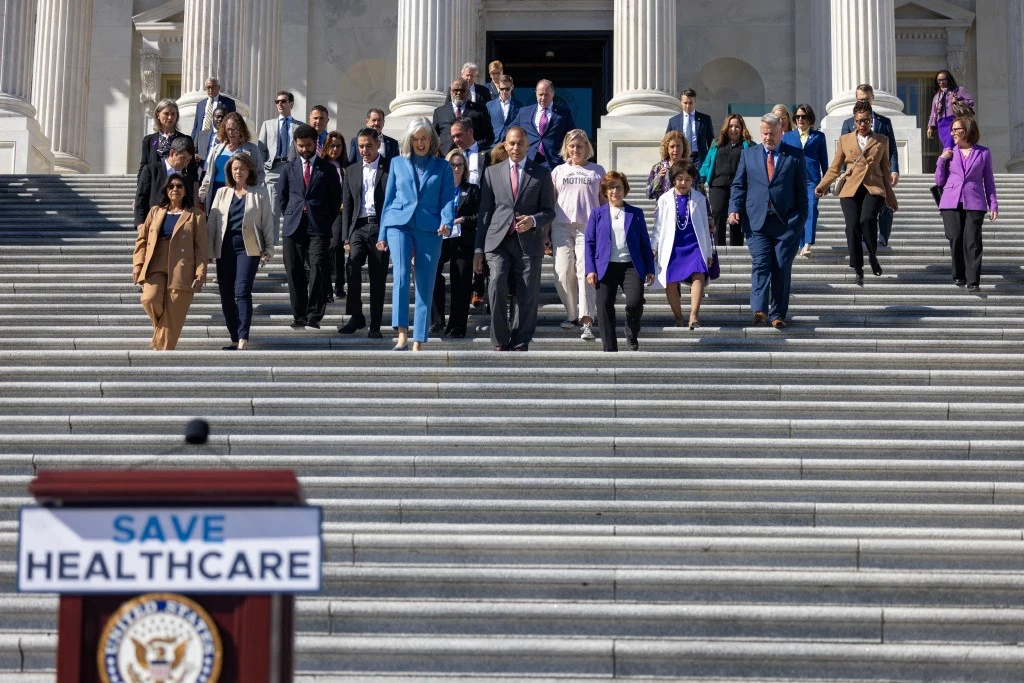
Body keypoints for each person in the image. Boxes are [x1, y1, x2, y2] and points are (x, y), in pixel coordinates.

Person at [473, 126, 556, 351]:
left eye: (520, 143)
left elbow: (549, 211)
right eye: (511, 143)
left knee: (528, 293)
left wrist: (534, 220)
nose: (516, 147)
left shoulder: (541, 173)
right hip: (497, 240)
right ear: (505, 145)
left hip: (528, 241)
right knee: (497, 282)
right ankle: (500, 339)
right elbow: (485, 212)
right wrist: (478, 249)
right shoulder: (492, 172)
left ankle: (520, 340)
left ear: (527, 145)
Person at [379, 117, 456, 351]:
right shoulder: (396, 163)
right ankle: (401, 333)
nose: (420, 143)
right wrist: (382, 233)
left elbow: (447, 200)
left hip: (430, 226)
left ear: (431, 140)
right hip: (398, 223)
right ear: (409, 140)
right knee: (401, 275)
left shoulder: (443, 167)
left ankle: (419, 338)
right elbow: (388, 199)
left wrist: (447, 222)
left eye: (424, 138)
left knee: (425, 282)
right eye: (416, 139)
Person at [728, 113, 808, 329]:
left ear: (781, 132)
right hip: (757, 222)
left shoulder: (795, 155)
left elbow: (802, 190)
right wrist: (734, 208)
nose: (767, 137)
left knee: (781, 267)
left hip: (786, 223)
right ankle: (759, 310)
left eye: (771, 133)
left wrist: (800, 221)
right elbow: (739, 185)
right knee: (761, 263)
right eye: (764, 133)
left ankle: (778, 313)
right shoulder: (749, 154)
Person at [815, 101, 898, 286]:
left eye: (867, 120)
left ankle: (873, 255)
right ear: (854, 121)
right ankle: (858, 268)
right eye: (860, 120)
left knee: (867, 219)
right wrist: (822, 186)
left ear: (871, 121)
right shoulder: (845, 140)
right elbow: (835, 168)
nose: (863, 124)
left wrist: (890, 197)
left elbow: (885, 170)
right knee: (852, 226)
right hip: (850, 188)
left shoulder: (881, 140)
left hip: (873, 187)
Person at [276, 123, 343, 329]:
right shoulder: (288, 168)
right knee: (294, 269)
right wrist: (291, 214)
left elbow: (335, 199)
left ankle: (314, 313)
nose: (304, 149)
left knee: (318, 268)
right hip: (293, 225)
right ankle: (299, 315)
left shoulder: (328, 169)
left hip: (319, 226)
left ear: (316, 143)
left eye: (308, 145)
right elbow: (282, 197)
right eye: (300, 146)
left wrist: (325, 220)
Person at [132, 173, 207, 350]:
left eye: (179, 186)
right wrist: (137, 264)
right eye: (171, 186)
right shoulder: (155, 211)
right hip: (156, 262)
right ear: (166, 190)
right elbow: (142, 240)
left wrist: (200, 272)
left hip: (182, 266)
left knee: (174, 313)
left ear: (185, 190)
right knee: (149, 299)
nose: (175, 189)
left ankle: (160, 353)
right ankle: (162, 344)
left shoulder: (196, 215)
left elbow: (201, 247)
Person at [207, 153, 274, 350]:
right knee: (225, 293)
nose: (238, 172)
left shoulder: (259, 192)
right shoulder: (222, 193)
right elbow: (212, 222)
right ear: (230, 171)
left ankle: (244, 336)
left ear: (249, 171)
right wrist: (209, 249)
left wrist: (269, 248)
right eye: (235, 169)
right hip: (225, 245)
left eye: (242, 169)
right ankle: (235, 336)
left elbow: (267, 223)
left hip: (248, 246)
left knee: (242, 290)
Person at [584, 172, 656, 352]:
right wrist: (590, 269)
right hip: (605, 266)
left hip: (630, 265)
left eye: (619, 187)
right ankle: (610, 348)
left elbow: (644, 243)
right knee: (604, 306)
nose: (615, 191)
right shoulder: (597, 214)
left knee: (635, 301)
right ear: (605, 191)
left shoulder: (635, 213)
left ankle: (631, 333)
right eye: (611, 187)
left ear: (625, 190)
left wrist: (650, 267)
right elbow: (589, 243)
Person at [549, 129, 605, 340]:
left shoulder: (597, 171)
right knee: (562, 273)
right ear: (566, 148)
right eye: (572, 146)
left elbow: (603, 201)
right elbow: (551, 201)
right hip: (561, 226)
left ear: (587, 147)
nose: (575, 150)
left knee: (585, 272)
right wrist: (545, 232)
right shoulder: (558, 171)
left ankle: (587, 319)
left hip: (588, 228)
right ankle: (572, 313)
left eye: (579, 146)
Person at [934, 116, 998, 292]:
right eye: (952, 130)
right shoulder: (950, 151)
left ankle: (973, 281)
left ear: (968, 130)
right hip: (951, 200)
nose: (953, 133)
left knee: (973, 241)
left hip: (975, 201)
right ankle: (959, 275)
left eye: (957, 130)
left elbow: (989, 180)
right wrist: (941, 159)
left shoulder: (983, 153)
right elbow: (939, 181)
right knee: (955, 237)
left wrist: (993, 203)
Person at [337, 128, 390, 338]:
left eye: (368, 145)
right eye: (360, 146)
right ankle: (356, 315)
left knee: (378, 277)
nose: (364, 150)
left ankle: (375, 325)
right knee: (352, 266)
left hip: (379, 227)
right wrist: (346, 237)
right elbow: (347, 206)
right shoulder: (351, 170)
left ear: (377, 144)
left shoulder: (390, 168)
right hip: (358, 227)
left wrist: (388, 232)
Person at [652, 162, 715, 329]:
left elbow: (704, 226)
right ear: (673, 180)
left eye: (687, 179)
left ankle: (694, 316)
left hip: (694, 243)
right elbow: (658, 226)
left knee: (699, 275)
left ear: (692, 180)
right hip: (673, 244)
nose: (683, 183)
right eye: (679, 179)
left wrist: (708, 253)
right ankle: (679, 317)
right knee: (670, 281)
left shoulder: (699, 198)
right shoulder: (664, 199)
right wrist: (654, 246)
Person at [431, 148, 481, 337]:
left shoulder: (472, 190)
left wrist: (462, 220)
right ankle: (437, 321)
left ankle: (457, 325)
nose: (456, 168)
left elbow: (479, 217)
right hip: (440, 238)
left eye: (460, 165)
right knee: (433, 275)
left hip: (463, 240)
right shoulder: (438, 188)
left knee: (461, 282)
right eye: (452, 165)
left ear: (465, 167)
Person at [783, 104, 829, 257]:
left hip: (812, 180)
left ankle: (808, 243)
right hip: (792, 179)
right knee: (797, 211)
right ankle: (801, 244)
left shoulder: (819, 136)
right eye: (797, 117)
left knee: (811, 209)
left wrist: (826, 183)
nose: (800, 119)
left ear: (810, 118)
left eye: (803, 116)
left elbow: (824, 161)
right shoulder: (787, 136)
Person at [700, 114, 752, 247]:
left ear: (742, 129)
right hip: (718, 185)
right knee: (717, 214)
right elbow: (707, 164)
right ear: (726, 128)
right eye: (731, 126)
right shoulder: (716, 144)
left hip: (738, 186)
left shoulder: (748, 145)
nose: (733, 129)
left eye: (737, 126)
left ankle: (736, 248)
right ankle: (718, 248)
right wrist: (698, 178)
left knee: (736, 219)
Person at [198, 113, 264, 212]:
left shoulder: (252, 149)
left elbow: (260, 173)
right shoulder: (217, 149)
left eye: (234, 129)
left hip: (240, 194)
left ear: (241, 129)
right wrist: (200, 197)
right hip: (217, 193)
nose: (230, 132)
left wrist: (249, 190)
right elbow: (209, 175)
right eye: (228, 129)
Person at [840, 84, 900, 185]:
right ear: (856, 100)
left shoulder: (884, 122)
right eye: (860, 100)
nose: (863, 102)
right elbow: (843, 150)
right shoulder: (848, 123)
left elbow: (892, 148)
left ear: (872, 99)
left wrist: (894, 171)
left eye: (866, 99)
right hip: (854, 174)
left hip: (878, 174)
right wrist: (842, 171)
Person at [136, 136, 199, 228]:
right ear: (172, 153)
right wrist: (140, 223)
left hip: (179, 226)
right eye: (183, 158)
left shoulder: (187, 177)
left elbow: (189, 202)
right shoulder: (151, 170)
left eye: (188, 160)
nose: (185, 163)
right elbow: (141, 197)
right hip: (154, 223)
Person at [257, 91, 298, 229]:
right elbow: (261, 148)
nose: (280, 104)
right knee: (273, 210)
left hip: (292, 168)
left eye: (283, 101)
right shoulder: (268, 124)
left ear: (291, 104)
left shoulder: (299, 126)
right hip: (273, 168)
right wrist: (263, 165)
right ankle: (272, 246)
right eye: (277, 102)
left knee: (292, 208)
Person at [515, 80, 576, 169]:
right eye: (540, 94)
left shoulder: (564, 113)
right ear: (536, 93)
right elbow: (512, 132)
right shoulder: (524, 112)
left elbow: (571, 136)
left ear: (553, 94)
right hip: (529, 160)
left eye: (546, 94)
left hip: (554, 162)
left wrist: (570, 157)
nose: (543, 98)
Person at [321, 132, 347, 301]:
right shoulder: (320, 165)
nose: (335, 149)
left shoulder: (346, 166)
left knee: (336, 246)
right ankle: (326, 287)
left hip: (339, 212)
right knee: (326, 249)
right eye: (332, 145)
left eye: (338, 146)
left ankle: (339, 285)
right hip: (323, 212)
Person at [435, 79, 492, 155]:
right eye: (455, 90)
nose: (458, 93)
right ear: (450, 92)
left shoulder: (479, 110)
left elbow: (489, 136)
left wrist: (475, 147)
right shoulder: (440, 112)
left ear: (468, 92)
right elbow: (433, 136)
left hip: (472, 156)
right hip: (446, 157)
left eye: (462, 90)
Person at [665, 89, 715, 169]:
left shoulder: (705, 119)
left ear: (695, 102)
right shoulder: (673, 121)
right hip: (680, 158)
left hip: (699, 159)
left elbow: (711, 142)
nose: (688, 106)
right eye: (685, 103)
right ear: (681, 102)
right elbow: (667, 143)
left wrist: (710, 160)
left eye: (690, 103)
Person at [139, 99, 190, 175]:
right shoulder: (148, 140)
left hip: (176, 183)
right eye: (166, 113)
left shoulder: (186, 140)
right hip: (154, 183)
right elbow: (144, 166)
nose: (170, 117)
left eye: (173, 114)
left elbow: (191, 168)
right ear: (158, 115)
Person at [927, 70, 975, 150]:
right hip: (941, 124)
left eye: (943, 79)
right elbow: (933, 113)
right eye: (939, 80)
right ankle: (951, 161)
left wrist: (957, 101)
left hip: (954, 122)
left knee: (951, 147)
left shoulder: (959, 90)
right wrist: (930, 127)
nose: (941, 82)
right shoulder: (936, 96)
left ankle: (951, 161)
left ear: (948, 79)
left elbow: (971, 101)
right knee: (947, 146)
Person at [646, 131, 690, 203]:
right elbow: (649, 194)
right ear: (667, 148)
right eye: (672, 147)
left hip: (686, 211)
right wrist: (658, 178)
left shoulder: (690, 168)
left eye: (678, 146)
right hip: (664, 211)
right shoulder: (658, 168)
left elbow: (701, 195)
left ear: (683, 148)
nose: (675, 150)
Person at [189, 77, 236, 143]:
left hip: (218, 138)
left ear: (218, 88)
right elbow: (196, 126)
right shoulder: (200, 105)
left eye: (213, 87)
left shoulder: (228, 103)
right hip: (201, 139)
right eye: (208, 87)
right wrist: (191, 141)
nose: (210, 89)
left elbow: (232, 123)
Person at [449, 117, 489, 187]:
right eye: (453, 137)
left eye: (458, 135)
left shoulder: (488, 154)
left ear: (470, 131)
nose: (456, 140)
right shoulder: (452, 156)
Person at [486, 75, 522, 146]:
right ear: (498, 88)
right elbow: (486, 126)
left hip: (512, 144)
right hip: (494, 144)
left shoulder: (520, 105)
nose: (504, 91)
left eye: (507, 89)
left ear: (512, 87)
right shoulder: (489, 105)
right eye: (502, 89)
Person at [194, 106, 226, 176]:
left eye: (222, 117)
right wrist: (195, 155)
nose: (220, 119)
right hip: (202, 173)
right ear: (212, 118)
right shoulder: (201, 135)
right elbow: (193, 151)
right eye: (217, 117)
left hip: (220, 175)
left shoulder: (229, 137)